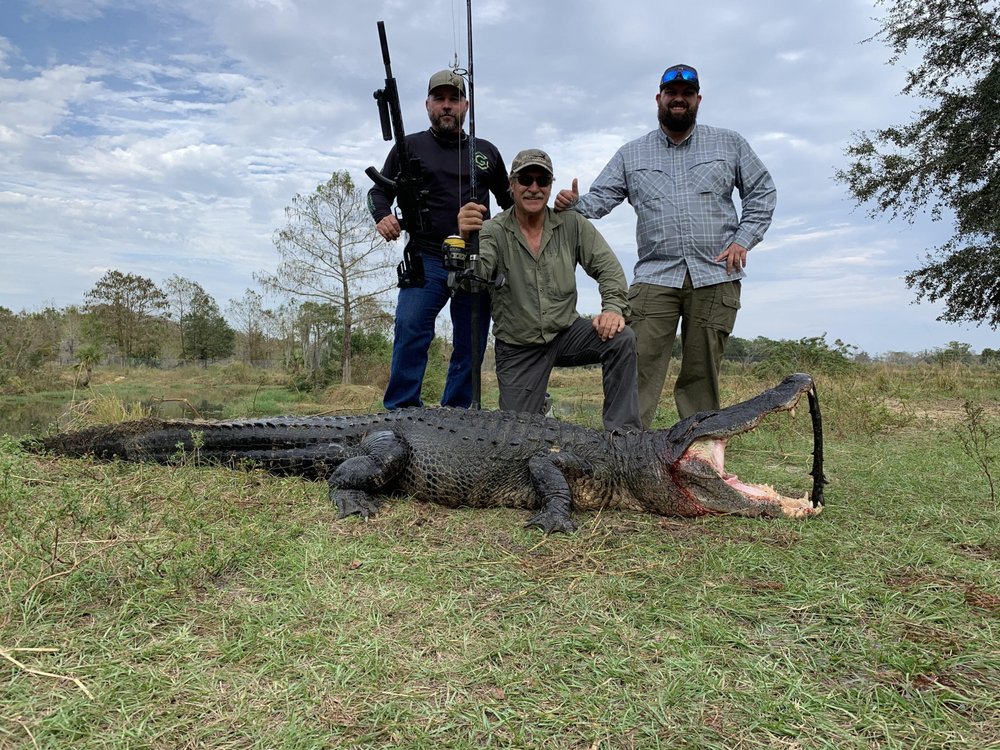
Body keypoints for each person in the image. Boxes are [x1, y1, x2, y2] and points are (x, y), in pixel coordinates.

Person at [555, 64, 776, 427]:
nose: (679, 99)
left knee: (701, 373)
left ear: (698, 100)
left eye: (687, 94)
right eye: (671, 93)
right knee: (637, 361)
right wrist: (572, 204)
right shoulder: (631, 154)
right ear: (659, 98)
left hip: (716, 273)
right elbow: (599, 201)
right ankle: (625, 448)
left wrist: (743, 239)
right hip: (656, 275)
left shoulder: (729, 143)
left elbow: (762, 191)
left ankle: (699, 449)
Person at [458, 149, 641, 433]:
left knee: (621, 337)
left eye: (542, 180)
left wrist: (613, 308)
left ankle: (623, 436)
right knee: (518, 437)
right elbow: (476, 277)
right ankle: (538, 403)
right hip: (518, 347)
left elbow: (608, 268)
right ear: (512, 184)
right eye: (525, 180)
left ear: (550, 185)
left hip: (566, 333)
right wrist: (466, 240)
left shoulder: (572, 223)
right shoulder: (493, 230)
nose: (534, 188)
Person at [368, 70, 513, 410]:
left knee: (471, 343)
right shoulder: (407, 147)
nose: (447, 105)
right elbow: (378, 192)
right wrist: (383, 216)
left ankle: (456, 415)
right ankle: (401, 411)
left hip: (476, 261)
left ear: (466, 106)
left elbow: (511, 204)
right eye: (439, 99)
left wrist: (551, 209)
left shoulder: (486, 152)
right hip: (427, 258)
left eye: (454, 99)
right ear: (428, 104)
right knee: (410, 329)